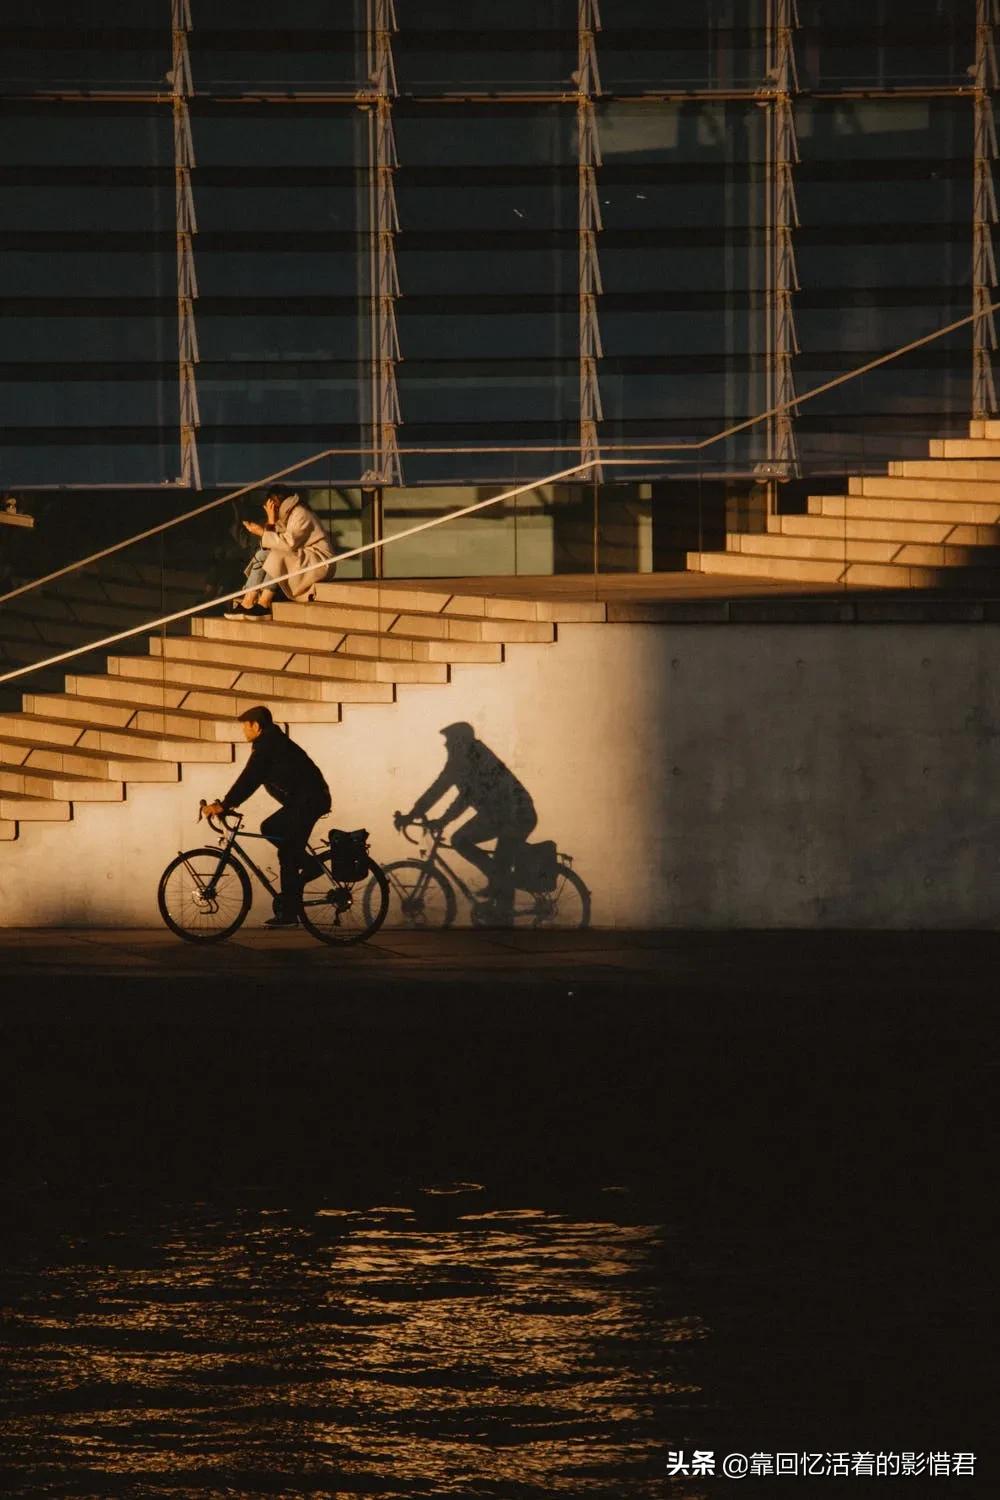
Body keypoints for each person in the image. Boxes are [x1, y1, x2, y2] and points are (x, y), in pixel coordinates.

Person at [202, 705, 331, 927]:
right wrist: (228, 803)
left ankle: (294, 904)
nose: (243, 731)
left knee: (278, 840)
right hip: (305, 800)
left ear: (256, 726)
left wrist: (225, 804)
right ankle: (301, 882)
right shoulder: (271, 742)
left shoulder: (268, 746)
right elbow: (252, 779)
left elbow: (249, 778)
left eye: (245, 726)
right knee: (283, 845)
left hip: (309, 801)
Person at [398, 722, 536, 915]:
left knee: (486, 855)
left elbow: (465, 797)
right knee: (493, 861)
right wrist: (413, 814)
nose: (445, 745)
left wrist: (442, 820)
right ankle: (499, 899)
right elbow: (438, 788)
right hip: (499, 814)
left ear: (460, 742)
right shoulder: (461, 759)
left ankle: (501, 905)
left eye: (449, 741)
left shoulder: (476, 758)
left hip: (516, 814)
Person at [225, 484, 335, 621]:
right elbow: (271, 543)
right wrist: (271, 521)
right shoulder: (286, 515)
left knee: (277, 554)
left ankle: (264, 603)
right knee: (262, 554)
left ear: (276, 501)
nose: (269, 507)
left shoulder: (300, 513)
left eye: (271, 504)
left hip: (319, 561)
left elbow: (287, 544)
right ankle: (248, 600)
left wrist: (261, 531)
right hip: (303, 557)